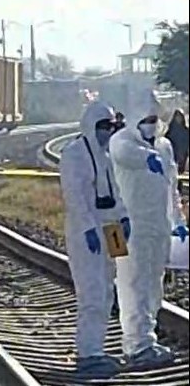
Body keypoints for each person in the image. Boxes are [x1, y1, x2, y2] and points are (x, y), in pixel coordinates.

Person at [109, 89, 188, 369]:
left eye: (155, 118)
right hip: (122, 228)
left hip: (157, 226)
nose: (151, 123)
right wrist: (147, 158)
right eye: (145, 118)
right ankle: (136, 346)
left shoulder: (164, 147)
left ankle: (146, 338)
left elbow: (171, 188)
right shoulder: (120, 142)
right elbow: (128, 154)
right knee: (132, 284)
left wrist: (178, 222)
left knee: (153, 284)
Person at [60, 102, 130, 376]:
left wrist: (124, 218)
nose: (106, 132)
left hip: (111, 228)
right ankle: (88, 352)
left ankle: (98, 349)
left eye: (111, 127)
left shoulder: (107, 154)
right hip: (86, 230)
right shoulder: (75, 154)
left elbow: (117, 190)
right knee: (92, 292)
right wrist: (88, 227)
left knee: (109, 290)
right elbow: (74, 196)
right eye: (102, 126)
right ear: (90, 125)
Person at [165, 109, 189, 191]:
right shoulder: (171, 130)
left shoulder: (186, 130)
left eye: (180, 116)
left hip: (183, 154)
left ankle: (179, 188)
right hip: (173, 155)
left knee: (180, 172)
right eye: (177, 116)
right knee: (174, 173)